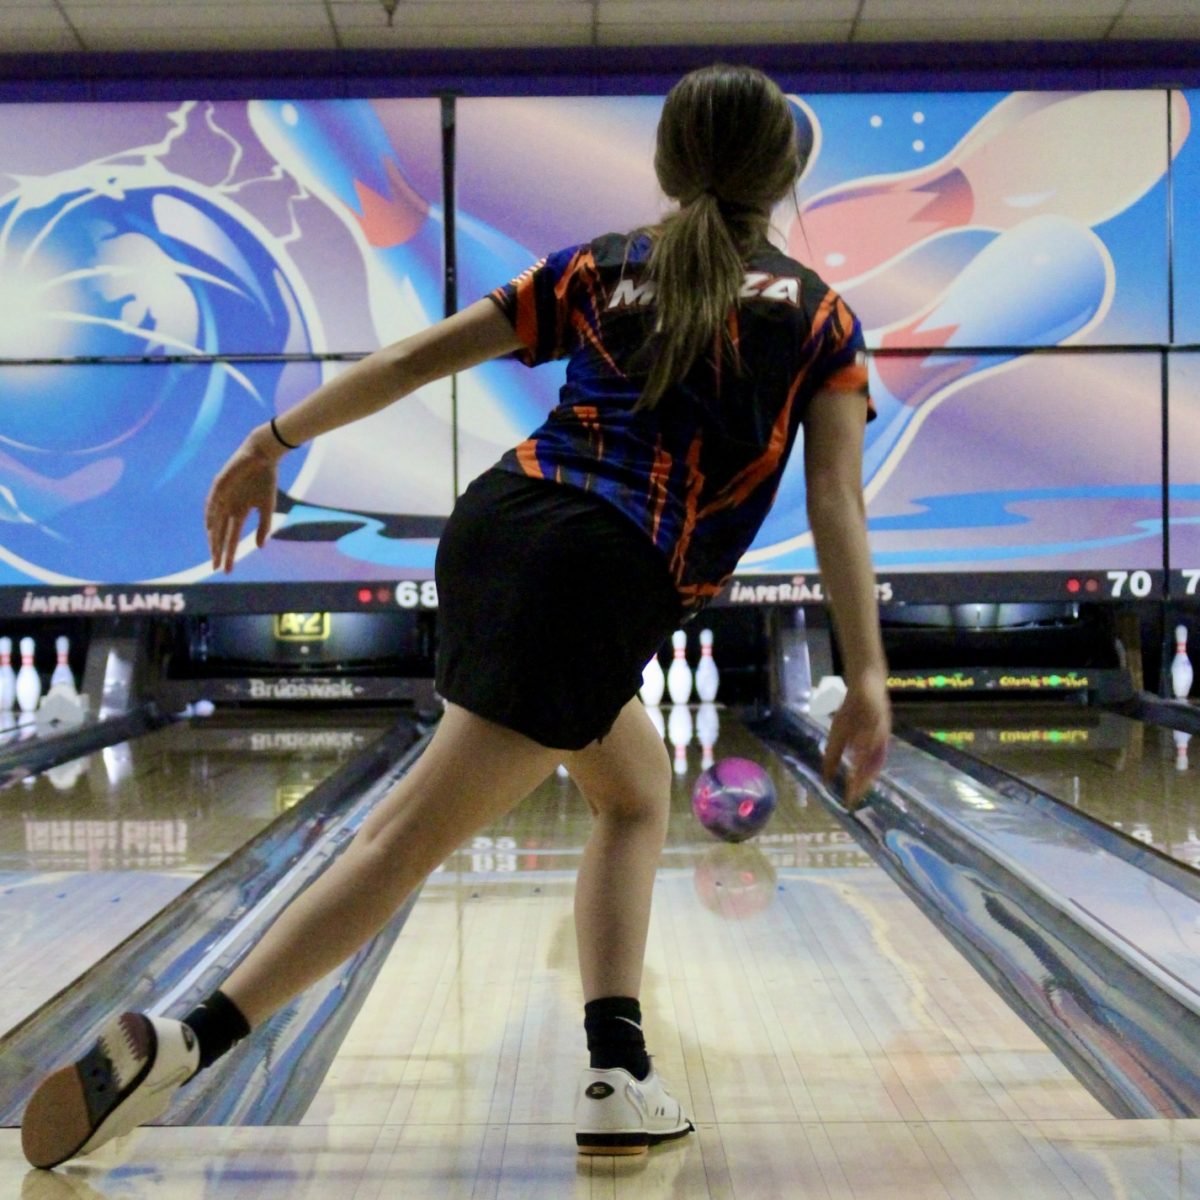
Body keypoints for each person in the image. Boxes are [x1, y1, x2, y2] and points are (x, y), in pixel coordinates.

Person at [21, 63, 890, 1170]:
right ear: (791, 171)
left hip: (499, 527)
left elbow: (411, 357)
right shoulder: (820, 315)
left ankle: (618, 1068)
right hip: (591, 575)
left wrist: (267, 443)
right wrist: (865, 675)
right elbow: (833, 502)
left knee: (632, 792)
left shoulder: (597, 264)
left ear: (668, 167)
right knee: (404, 836)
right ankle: (192, 1039)